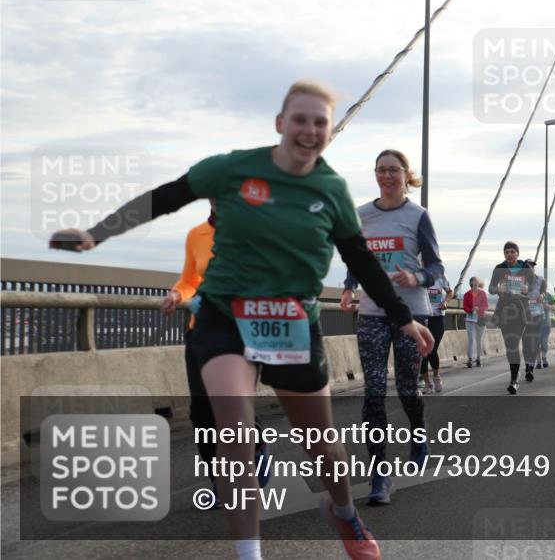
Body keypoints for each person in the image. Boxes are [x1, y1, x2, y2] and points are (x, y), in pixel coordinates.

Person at [50, 80, 433, 560]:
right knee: (235, 435)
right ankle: (248, 553)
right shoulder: (233, 169)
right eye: (300, 119)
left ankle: (343, 511)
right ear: (280, 124)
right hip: (225, 314)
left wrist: (403, 320)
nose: (310, 129)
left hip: (292, 320)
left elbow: (362, 260)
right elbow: (165, 196)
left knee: (324, 450)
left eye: (320, 122)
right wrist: (95, 233)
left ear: (329, 132)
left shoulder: (331, 190)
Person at [340, 149, 442, 505]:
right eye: (381, 170)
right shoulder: (362, 215)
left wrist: (415, 276)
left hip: (412, 314)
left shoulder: (418, 216)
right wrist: (350, 285)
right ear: (375, 174)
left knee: (406, 388)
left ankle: (418, 432)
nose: (387, 176)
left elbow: (436, 268)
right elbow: (357, 256)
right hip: (370, 312)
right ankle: (380, 473)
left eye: (393, 170)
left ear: (405, 174)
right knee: (373, 391)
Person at [159, 200, 270, 509]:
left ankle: (257, 445)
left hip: (242, 331)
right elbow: (190, 280)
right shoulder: (197, 235)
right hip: (201, 330)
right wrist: (177, 295)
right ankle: (219, 479)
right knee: (202, 412)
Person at [489, 242, 537, 394]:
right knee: (510, 346)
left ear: (517, 254)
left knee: (514, 342)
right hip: (504, 311)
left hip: (520, 310)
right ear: (504, 254)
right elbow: (490, 288)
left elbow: (535, 286)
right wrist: (497, 289)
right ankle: (515, 374)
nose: (509, 255)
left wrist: (527, 288)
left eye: (512, 252)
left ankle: (514, 380)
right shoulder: (499, 268)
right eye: (507, 252)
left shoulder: (526, 269)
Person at [421, 273, 453, 392]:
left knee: (432, 350)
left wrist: (445, 302)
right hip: (421, 317)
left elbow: (450, 292)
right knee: (422, 351)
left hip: (437, 317)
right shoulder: (417, 275)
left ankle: (436, 376)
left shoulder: (440, 277)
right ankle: (427, 383)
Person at [463, 277, 488, 368]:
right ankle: (470, 359)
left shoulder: (482, 293)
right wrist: (471, 310)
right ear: (471, 284)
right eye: (473, 283)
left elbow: (485, 306)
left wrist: (479, 309)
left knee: (479, 340)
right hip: (470, 319)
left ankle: (478, 358)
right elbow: (465, 307)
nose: (475, 285)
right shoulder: (466, 295)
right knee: (471, 339)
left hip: (481, 319)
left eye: (476, 283)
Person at [534, 278, 555, 369]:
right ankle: (538, 361)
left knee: (544, 343)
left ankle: (544, 358)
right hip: (534, 323)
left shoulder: (548, 295)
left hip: (546, 323)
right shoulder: (531, 295)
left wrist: (548, 306)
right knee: (536, 343)